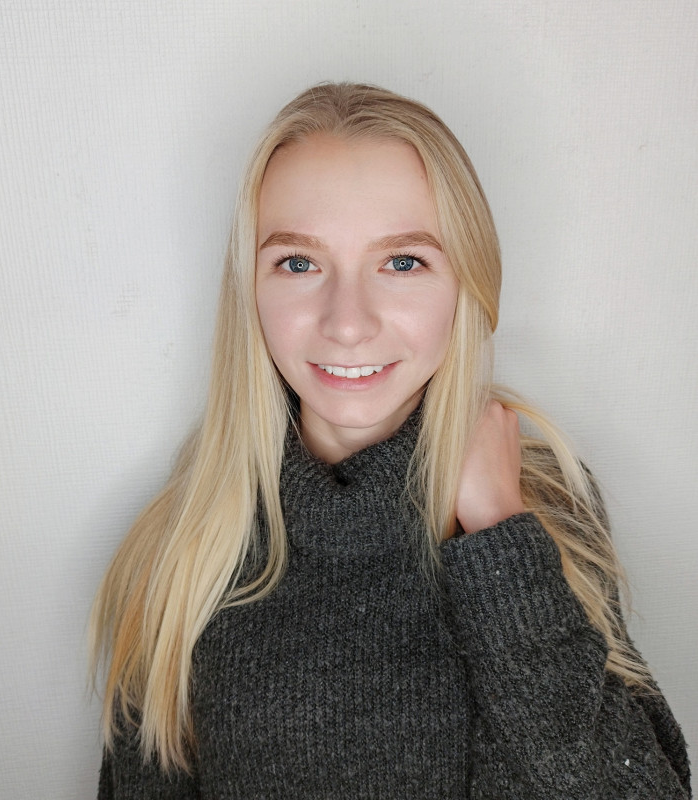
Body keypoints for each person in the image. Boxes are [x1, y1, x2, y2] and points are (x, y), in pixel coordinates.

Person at [90, 83, 691, 799]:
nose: (348, 323)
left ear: (467, 282)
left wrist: (501, 537)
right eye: (299, 263)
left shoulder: (545, 510)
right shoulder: (181, 553)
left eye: (403, 262)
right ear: (248, 290)